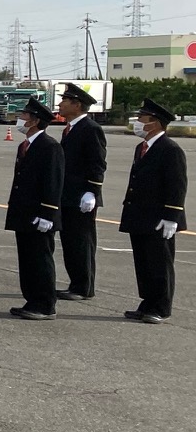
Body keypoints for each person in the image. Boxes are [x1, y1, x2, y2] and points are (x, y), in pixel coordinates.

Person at [120, 97, 185, 323]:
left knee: (159, 264)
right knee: (144, 262)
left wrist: (172, 216)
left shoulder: (170, 149)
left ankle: (161, 306)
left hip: (159, 217)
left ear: (154, 123)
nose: (138, 122)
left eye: (142, 118)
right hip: (140, 214)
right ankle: (147, 302)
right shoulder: (142, 147)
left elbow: (177, 185)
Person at [5, 97, 64, 320]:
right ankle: (32, 300)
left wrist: (48, 212)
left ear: (35, 121)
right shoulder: (25, 145)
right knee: (28, 259)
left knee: (40, 259)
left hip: (40, 214)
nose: (20, 119)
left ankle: (45, 304)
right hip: (25, 212)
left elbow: (53, 181)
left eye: (24, 116)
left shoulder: (49, 146)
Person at [56, 83, 106, 300]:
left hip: (81, 197)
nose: (60, 104)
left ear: (76, 105)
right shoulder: (71, 128)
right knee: (70, 242)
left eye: (65, 101)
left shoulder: (90, 129)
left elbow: (97, 163)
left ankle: (83, 287)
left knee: (81, 242)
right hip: (68, 195)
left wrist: (92, 191)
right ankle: (75, 283)